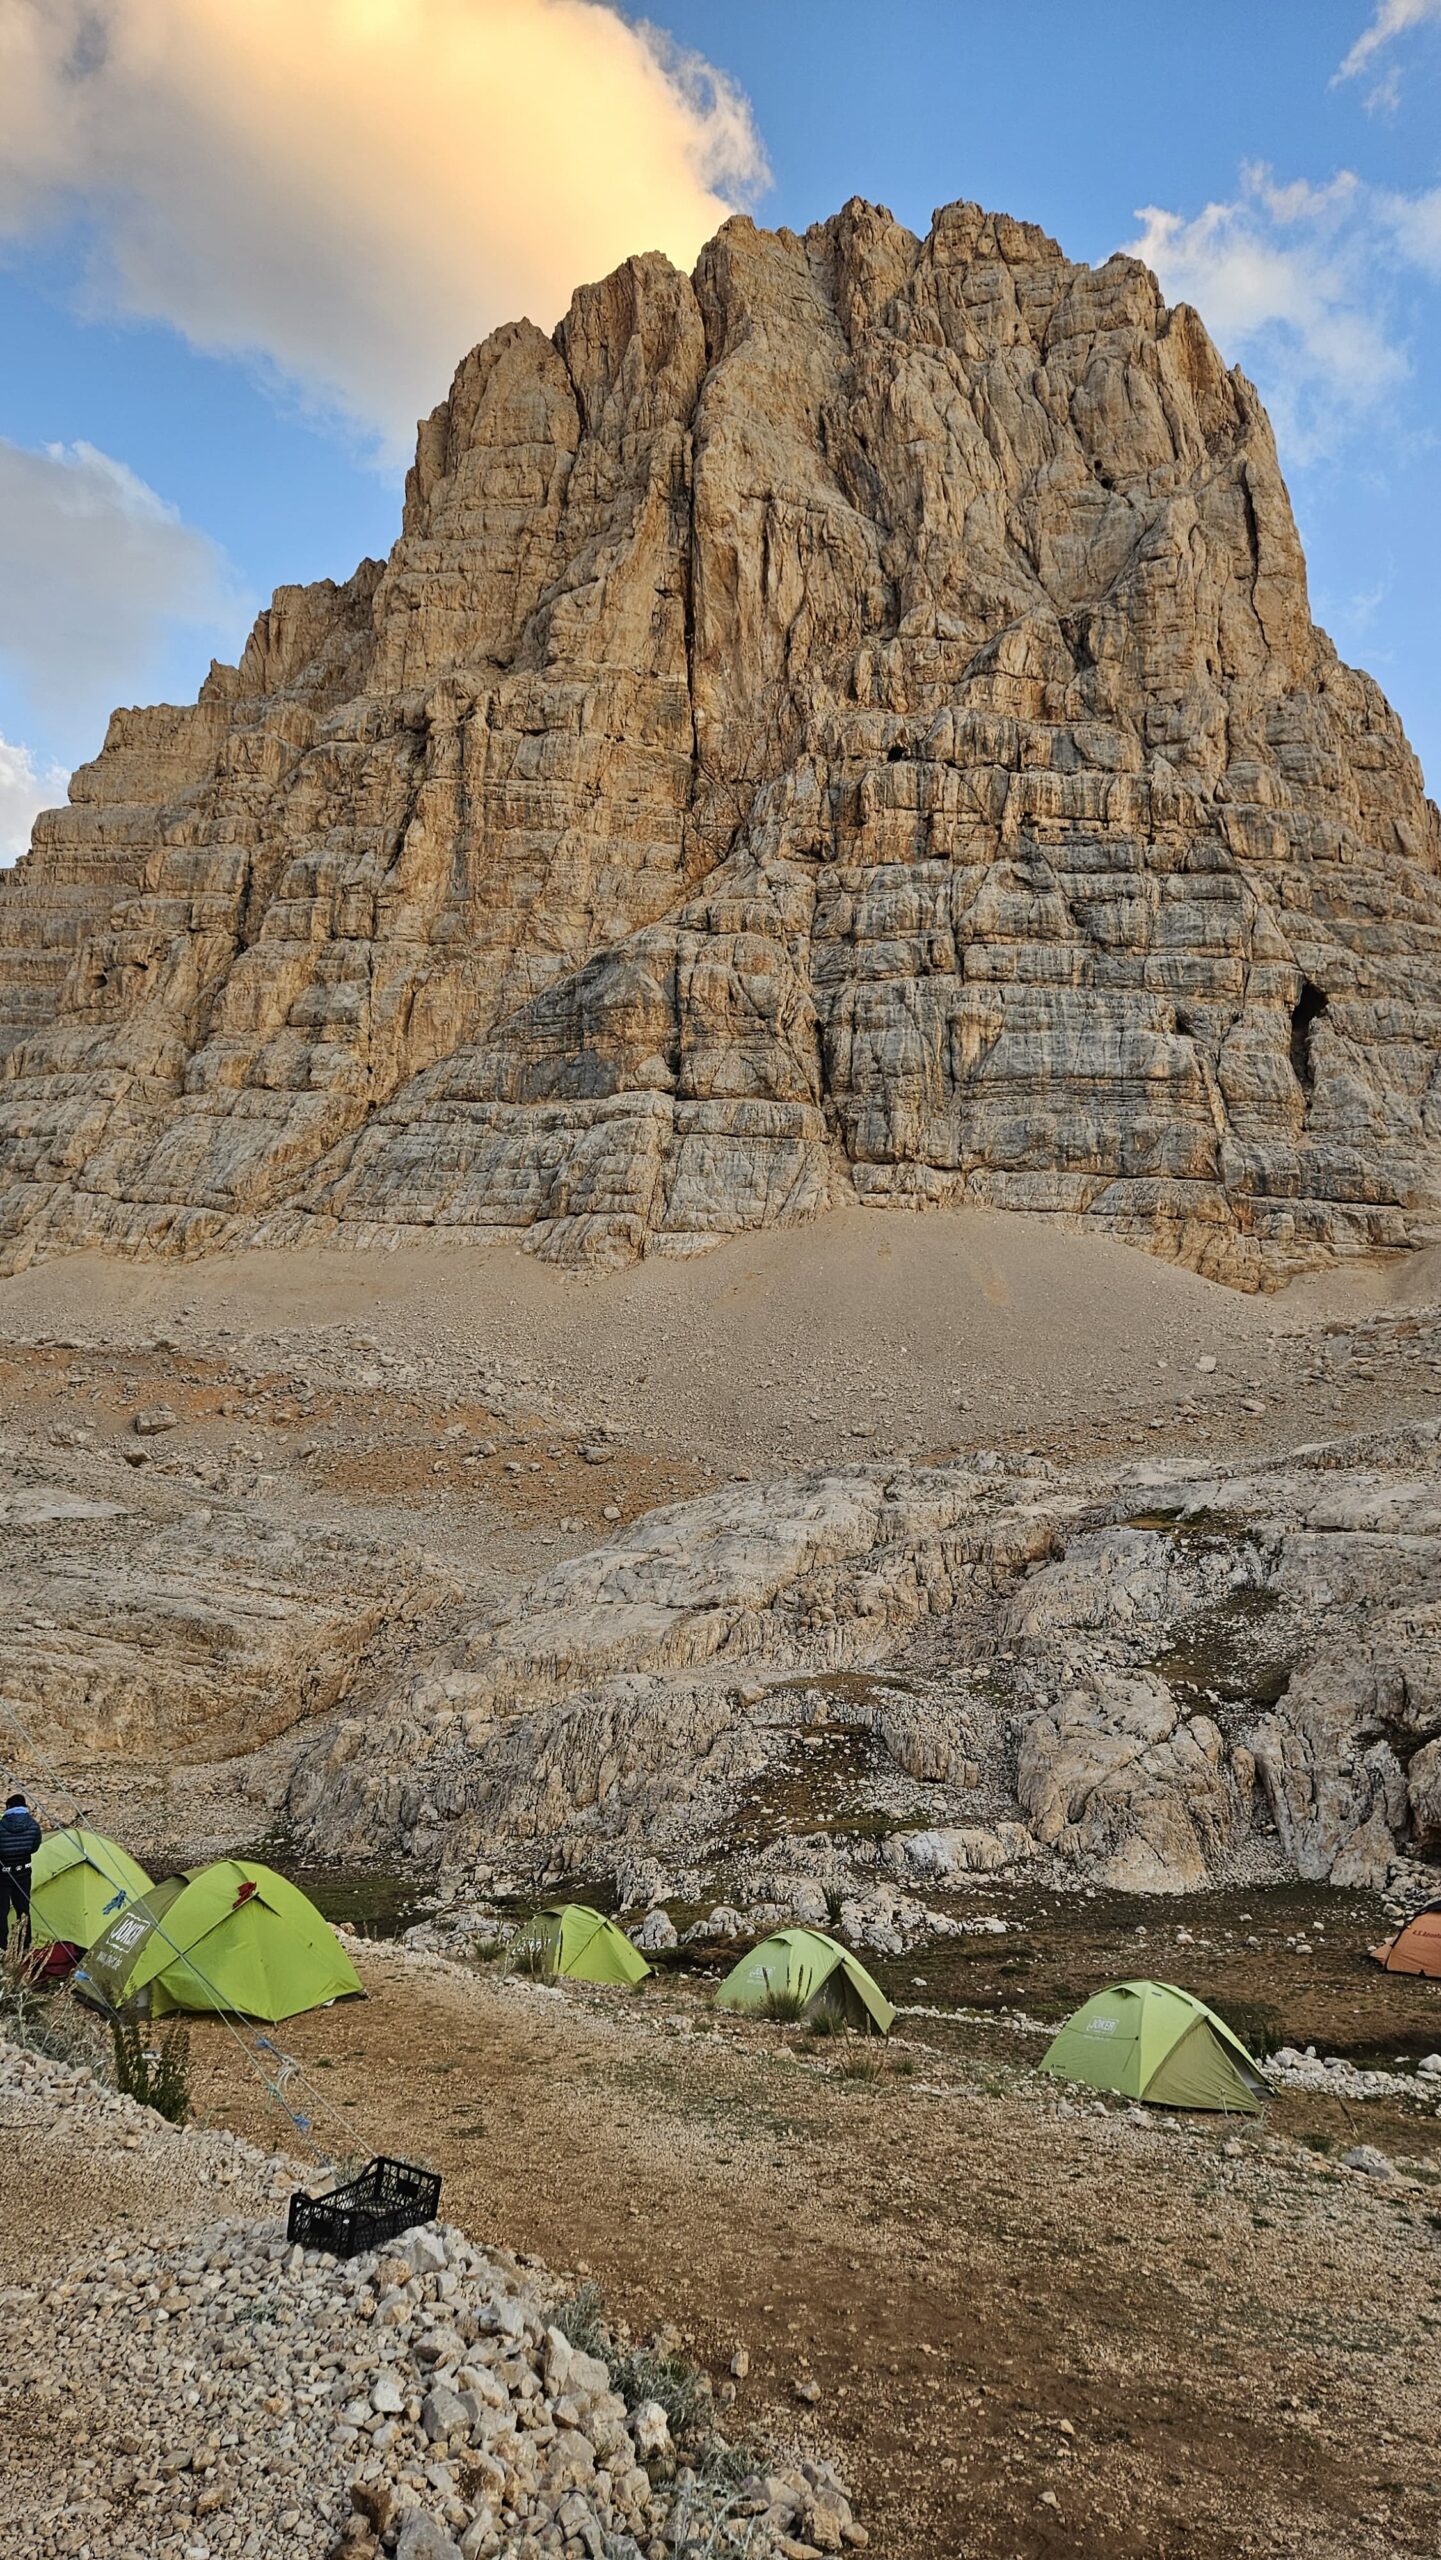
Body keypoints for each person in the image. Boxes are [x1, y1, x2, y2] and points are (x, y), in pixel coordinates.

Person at [0, 1790, 42, 1952]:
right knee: (23, 1909)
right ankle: (24, 1945)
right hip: (24, 1873)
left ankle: (2, 1946)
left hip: (3, 1874)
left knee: (2, 1911)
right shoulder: (33, 1825)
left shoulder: (1, 1826)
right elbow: (34, 1847)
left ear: (8, 1807)